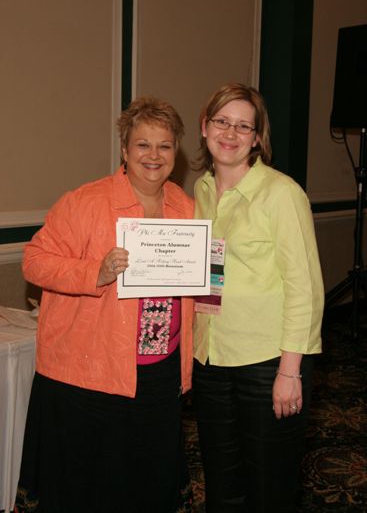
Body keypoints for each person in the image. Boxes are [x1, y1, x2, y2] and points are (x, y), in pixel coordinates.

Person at [15, 97, 194, 513]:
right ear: (125, 151)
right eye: (142, 145)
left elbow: (198, 287)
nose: (154, 155)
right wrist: (94, 272)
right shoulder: (85, 203)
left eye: (164, 146)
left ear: (176, 152)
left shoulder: (186, 208)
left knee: (147, 479)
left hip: (160, 372)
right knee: (90, 484)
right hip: (88, 376)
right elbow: (35, 261)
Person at [192, 83, 324, 513]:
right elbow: (209, 274)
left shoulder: (281, 193)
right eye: (222, 122)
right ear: (204, 127)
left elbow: (304, 287)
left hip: (267, 363)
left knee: (270, 489)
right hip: (212, 358)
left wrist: (291, 372)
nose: (230, 133)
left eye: (243, 126)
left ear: (256, 138)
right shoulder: (203, 190)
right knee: (222, 485)